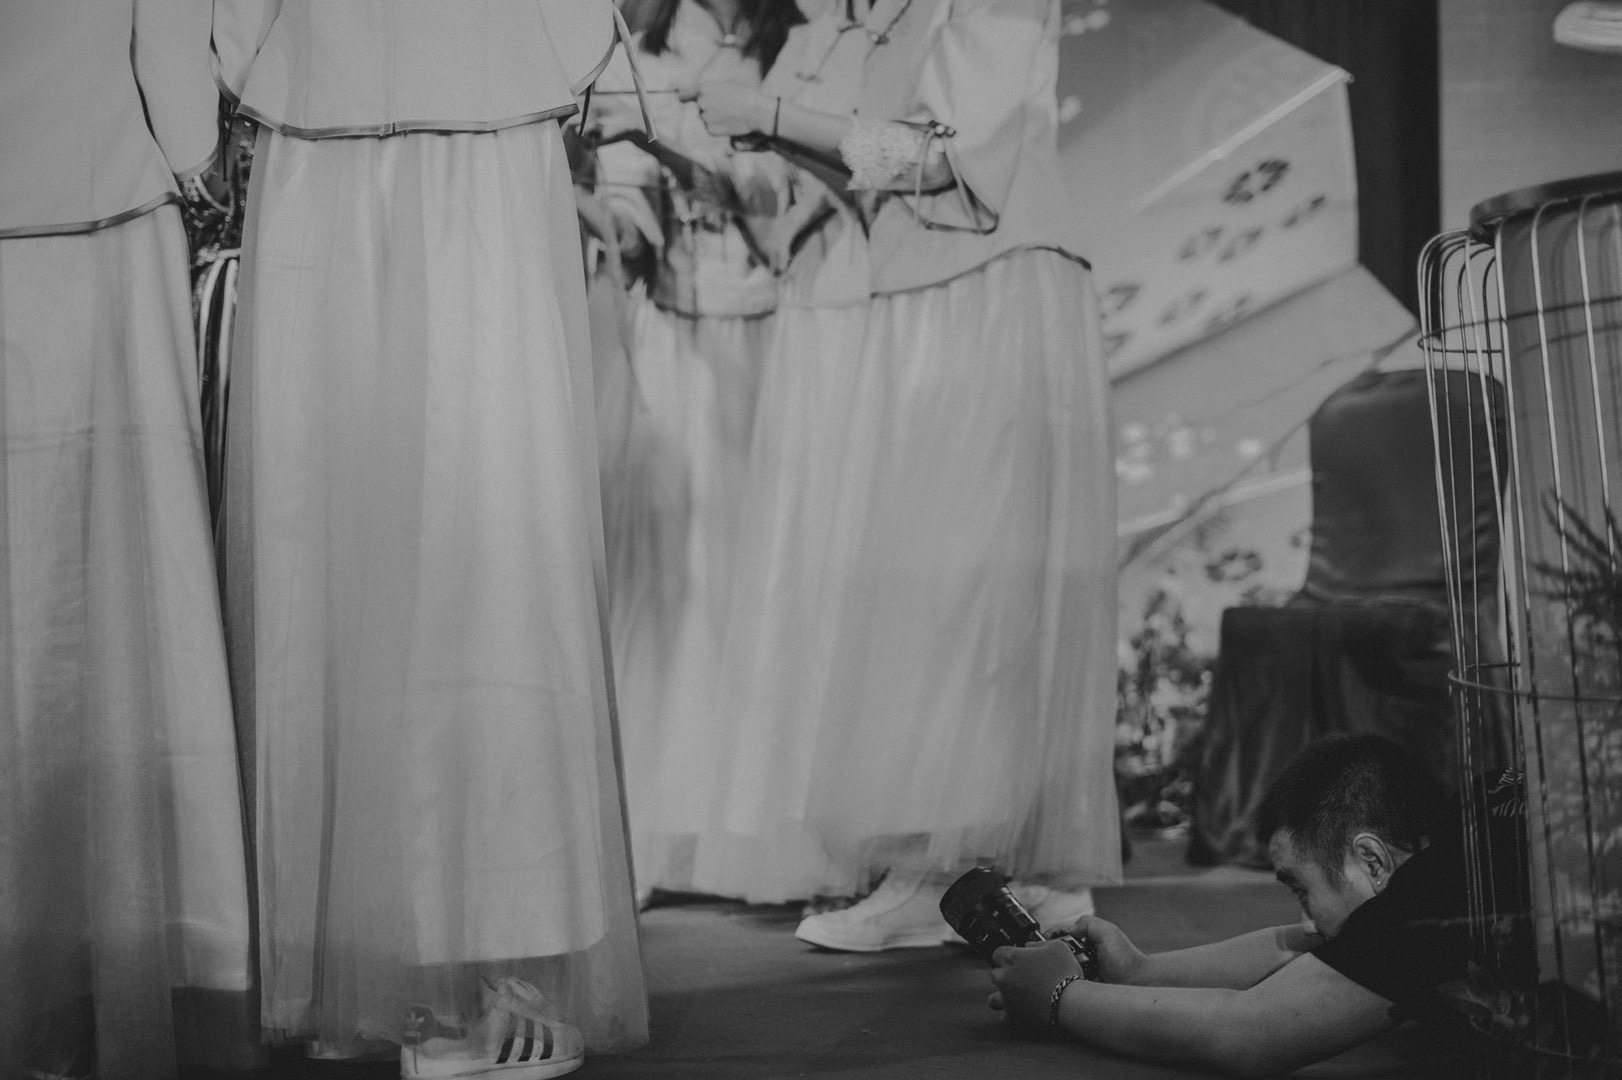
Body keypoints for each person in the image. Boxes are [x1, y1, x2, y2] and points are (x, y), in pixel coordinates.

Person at [213, 2, 649, 1075]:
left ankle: (466, 957)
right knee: (398, 513)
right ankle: (424, 963)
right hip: (379, 101)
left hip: (407, 107)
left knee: (461, 511)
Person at [686, 0, 1121, 931]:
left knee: (966, 587)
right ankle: (970, 869)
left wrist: (772, 115)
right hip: (923, 289)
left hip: (987, 287)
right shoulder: (894, 19)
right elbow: (882, 165)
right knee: (927, 589)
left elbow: (944, 158)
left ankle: (950, 871)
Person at [0, 3, 257, 1079]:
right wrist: (204, 166)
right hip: (102, 204)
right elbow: (171, 56)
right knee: (118, 589)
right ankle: (114, 942)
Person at [577, 0, 801, 901]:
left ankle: (770, 830)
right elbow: (631, 217)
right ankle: (665, 828)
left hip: (782, 335)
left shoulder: (800, 44)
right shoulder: (638, 55)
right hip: (676, 339)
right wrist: (602, 213)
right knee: (679, 584)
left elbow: (791, 194)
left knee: (767, 578)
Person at [989, 734, 1529, 1076]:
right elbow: (1307, 948)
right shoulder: (1463, 836)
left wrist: (1058, 997)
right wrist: (1136, 972)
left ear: (1372, 860)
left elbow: (1250, 1033)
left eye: (1301, 889)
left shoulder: (1438, 889)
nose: (1304, 916)